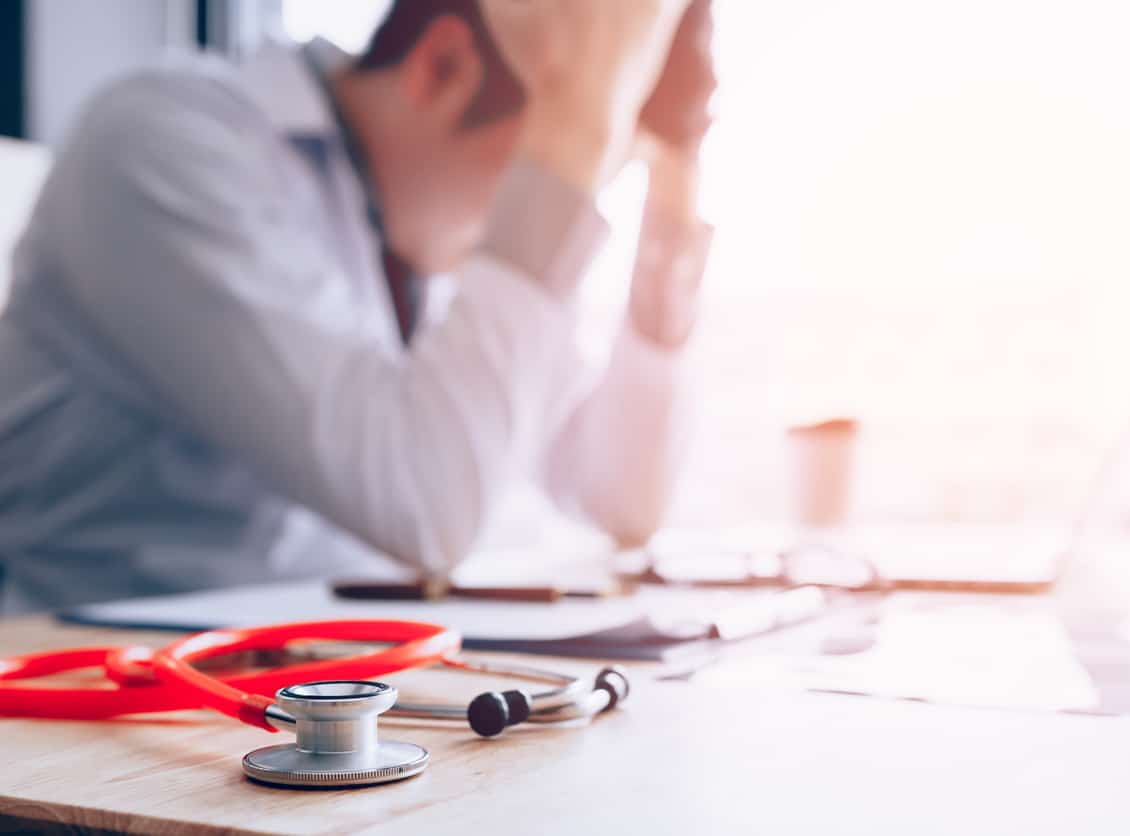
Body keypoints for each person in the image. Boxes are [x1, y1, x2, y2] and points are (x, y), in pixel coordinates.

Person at [0, 0, 717, 613]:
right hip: (103, 700)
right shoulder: (166, 140)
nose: (554, 197)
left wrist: (672, 201)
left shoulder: (430, 238)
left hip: (342, 683)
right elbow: (426, 505)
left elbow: (620, 498)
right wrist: (569, 132)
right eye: (553, 160)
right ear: (442, 69)